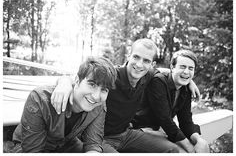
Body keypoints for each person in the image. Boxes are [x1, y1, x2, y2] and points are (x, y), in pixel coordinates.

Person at [51, 38, 200, 152]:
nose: (139, 64)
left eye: (146, 61)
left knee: (172, 150)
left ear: (152, 65)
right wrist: (64, 82)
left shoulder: (147, 76)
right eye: (136, 57)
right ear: (129, 56)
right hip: (98, 138)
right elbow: (82, 78)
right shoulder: (111, 75)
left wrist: (188, 79)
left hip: (125, 134)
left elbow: (169, 73)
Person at [12, 56, 117, 153]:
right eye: (92, 84)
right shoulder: (40, 99)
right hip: (27, 146)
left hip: (66, 145)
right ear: (77, 80)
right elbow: (32, 151)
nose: (96, 96)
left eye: (104, 90)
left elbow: (93, 143)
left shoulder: (99, 105)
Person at [132, 50, 209, 153]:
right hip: (141, 129)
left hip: (161, 131)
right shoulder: (158, 82)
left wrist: (199, 140)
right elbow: (165, 119)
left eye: (191, 68)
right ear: (172, 68)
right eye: (182, 67)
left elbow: (186, 121)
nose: (186, 72)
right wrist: (190, 149)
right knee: (181, 151)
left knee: (202, 145)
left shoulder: (185, 89)